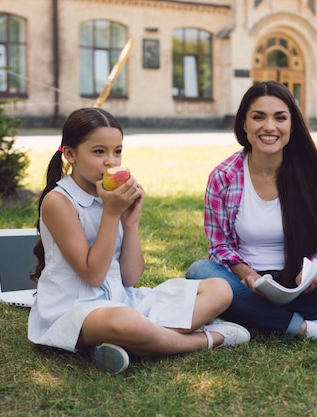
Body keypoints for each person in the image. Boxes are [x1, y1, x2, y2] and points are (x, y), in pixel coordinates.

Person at [27, 107, 250, 374]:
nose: (111, 162)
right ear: (70, 154)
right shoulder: (59, 201)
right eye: (99, 152)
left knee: (220, 289)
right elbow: (93, 276)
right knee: (126, 322)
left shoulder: (111, 196)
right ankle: (206, 338)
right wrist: (111, 213)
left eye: (117, 151)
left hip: (121, 299)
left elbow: (131, 277)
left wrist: (130, 222)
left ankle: (131, 342)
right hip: (75, 308)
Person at [186, 81, 317, 340]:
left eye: (280, 118)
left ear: (291, 125)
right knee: (199, 271)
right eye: (258, 117)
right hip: (247, 284)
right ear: (244, 124)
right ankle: (307, 328)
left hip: (299, 285)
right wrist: (247, 275)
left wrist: (312, 269)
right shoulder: (224, 177)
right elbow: (219, 246)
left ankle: (254, 318)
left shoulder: (311, 174)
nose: (269, 127)